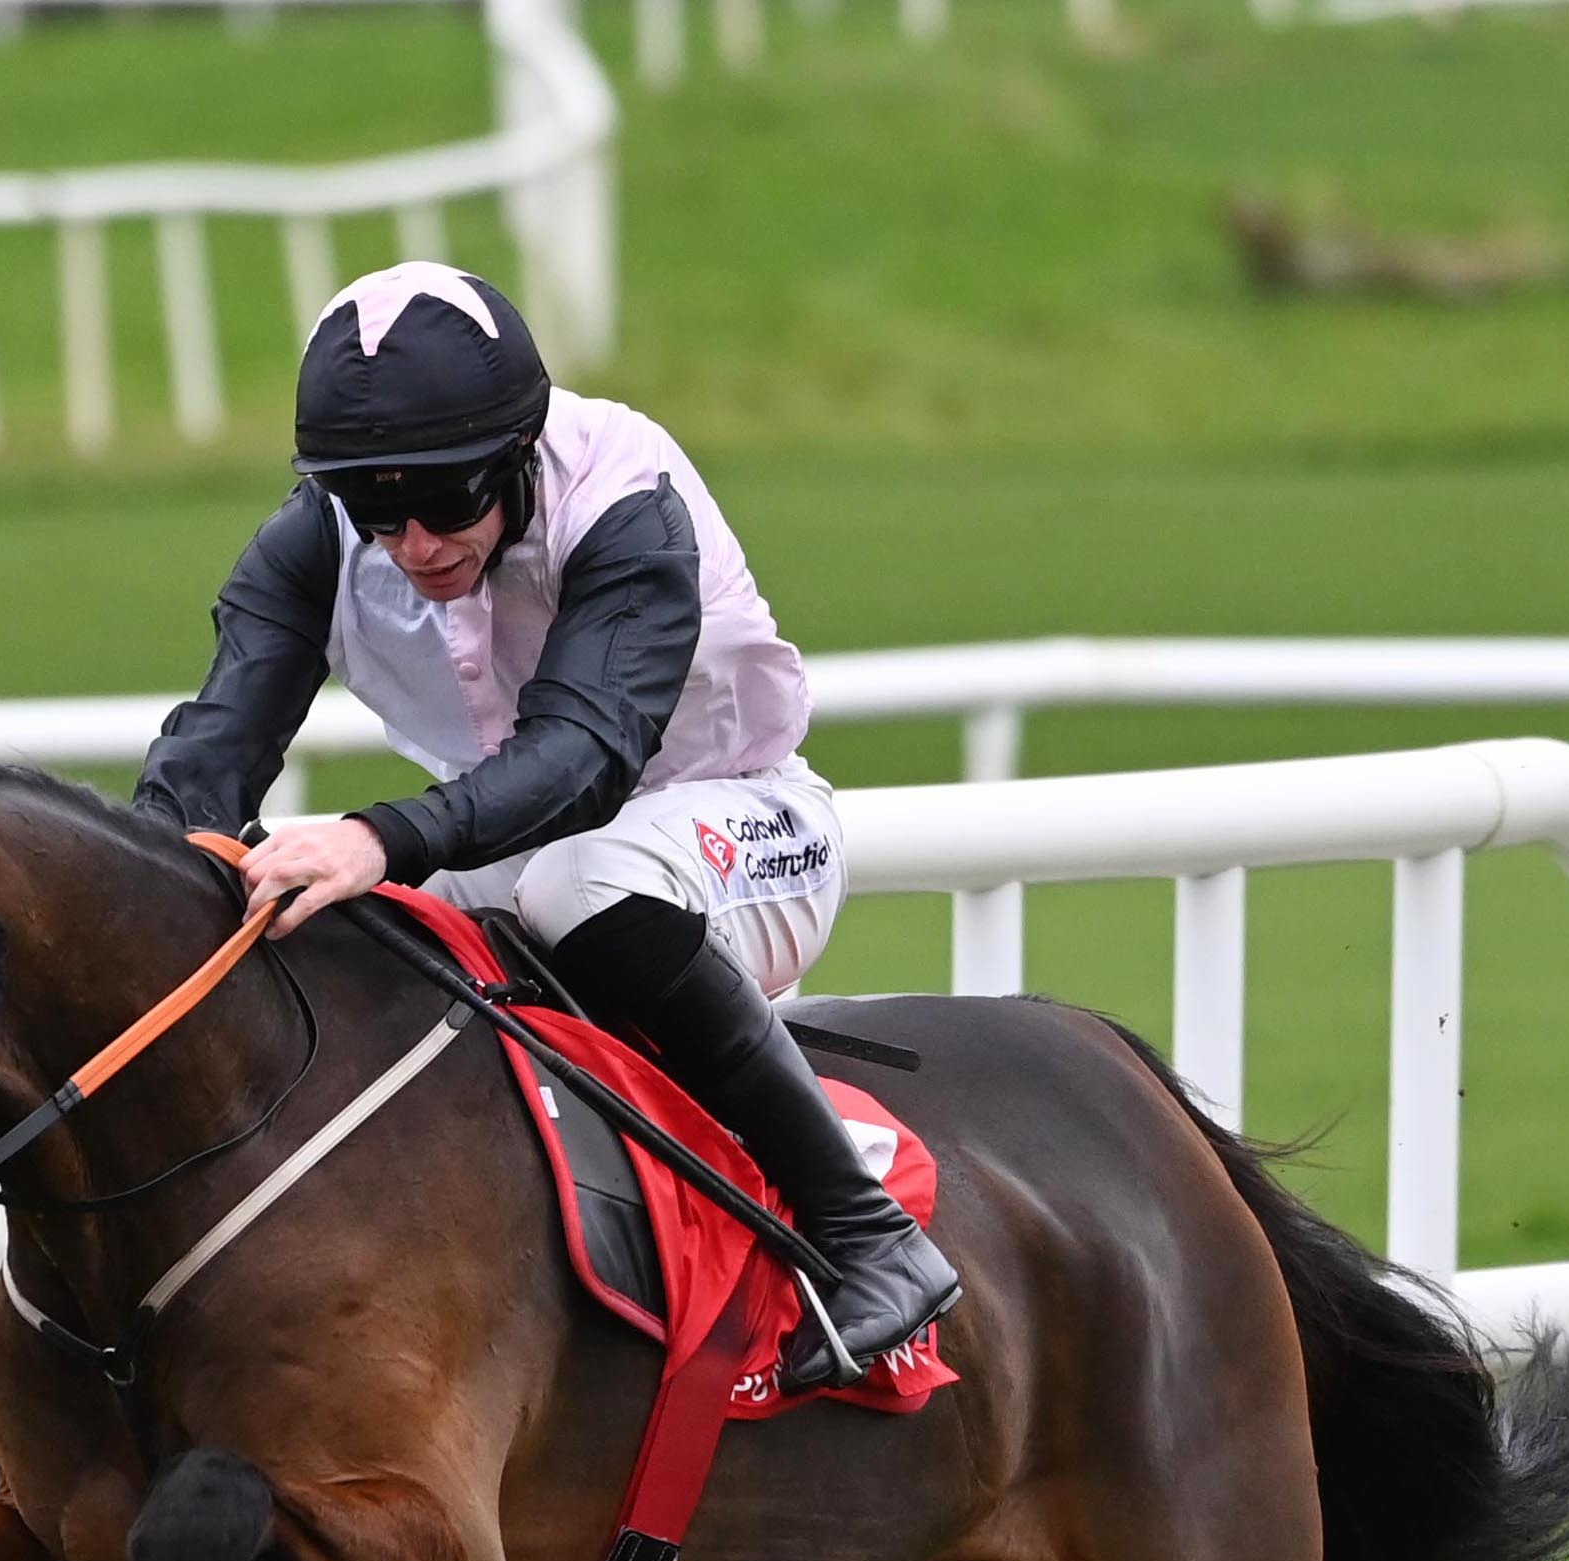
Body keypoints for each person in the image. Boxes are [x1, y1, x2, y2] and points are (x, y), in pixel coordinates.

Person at [135, 262, 958, 1394]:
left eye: (447, 500)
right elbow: (210, 751)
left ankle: (867, 1230)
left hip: (744, 827)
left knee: (573, 883)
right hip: (523, 852)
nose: (416, 543)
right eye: (379, 512)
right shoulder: (317, 536)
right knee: (341, 935)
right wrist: (158, 889)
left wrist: (375, 836)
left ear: (519, 454)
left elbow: (578, 760)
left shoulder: (624, 495)